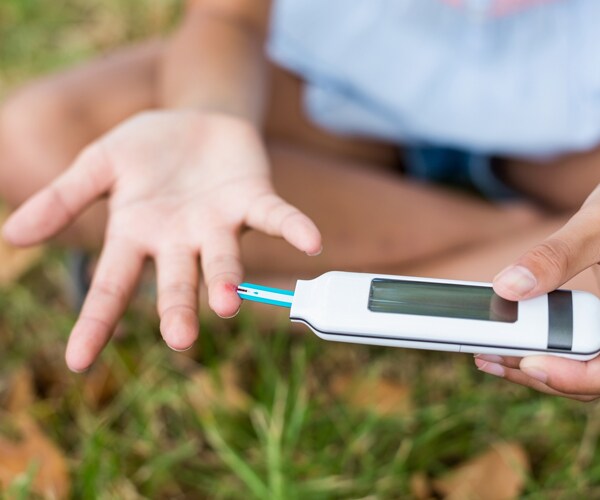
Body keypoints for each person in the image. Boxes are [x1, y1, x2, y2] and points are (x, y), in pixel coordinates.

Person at [1, 0, 600, 401]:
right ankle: (503, 235)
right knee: (31, 141)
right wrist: (206, 118)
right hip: (330, 89)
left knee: (585, 293)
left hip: (576, 123)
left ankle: (236, 298)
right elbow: (229, 15)